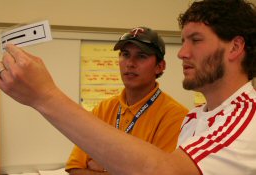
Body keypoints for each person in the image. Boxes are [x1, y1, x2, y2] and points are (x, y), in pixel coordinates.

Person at [0, 0, 256, 174]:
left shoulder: (246, 119)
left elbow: (163, 171)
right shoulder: (195, 117)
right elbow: (76, 167)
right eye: (183, 41)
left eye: (196, 40)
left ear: (235, 47)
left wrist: (45, 96)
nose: (183, 53)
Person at [65, 27, 188, 174]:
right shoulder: (104, 109)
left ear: (160, 66)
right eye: (125, 54)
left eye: (141, 56)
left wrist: (102, 169)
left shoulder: (176, 116)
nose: (130, 63)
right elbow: (74, 168)